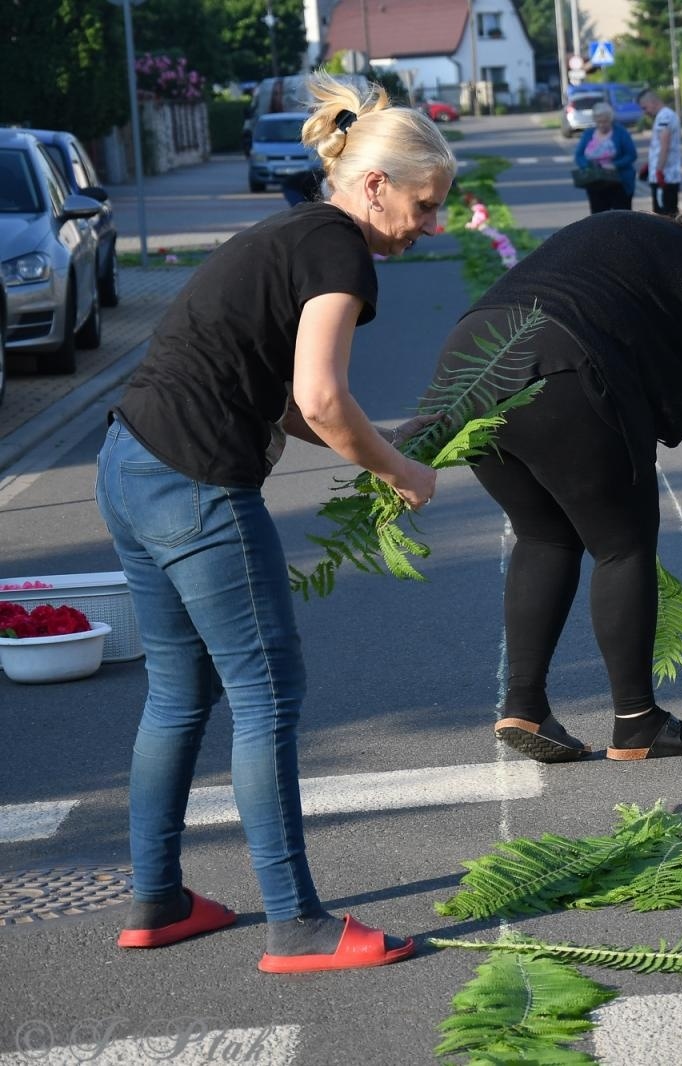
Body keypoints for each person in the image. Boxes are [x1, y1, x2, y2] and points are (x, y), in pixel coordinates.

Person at [95, 71, 455, 974]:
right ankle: (296, 925)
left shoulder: (291, 231)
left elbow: (289, 399)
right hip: (194, 482)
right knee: (266, 692)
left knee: (179, 692)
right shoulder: (340, 250)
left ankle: (157, 900)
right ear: (375, 185)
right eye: (425, 205)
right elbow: (321, 397)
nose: (433, 224)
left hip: (128, 461)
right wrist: (401, 471)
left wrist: (376, 445)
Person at [428, 203, 682, 764]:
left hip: (469, 360)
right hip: (564, 367)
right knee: (623, 546)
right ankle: (637, 720)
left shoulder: (633, 234)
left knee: (543, 535)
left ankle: (525, 704)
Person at [572, 100, 637, 214]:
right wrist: (587, 166)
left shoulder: (621, 132)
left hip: (619, 182)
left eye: (605, 121)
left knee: (621, 216)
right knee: (598, 216)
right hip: (595, 181)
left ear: (610, 119)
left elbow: (631, 155)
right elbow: (579, 155)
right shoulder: (588, 134)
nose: (602, 125)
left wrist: (615, 165)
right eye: (599, 122)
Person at [636, 88, 682, 216]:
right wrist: (650, 165)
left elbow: (664, 144)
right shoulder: (665, 116)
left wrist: (659, 170)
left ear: (652, 102)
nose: (645, 112)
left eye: (644, 107)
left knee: (664, 216)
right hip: (666, 175)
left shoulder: (664, 117)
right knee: (666, 213)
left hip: (665, 176)